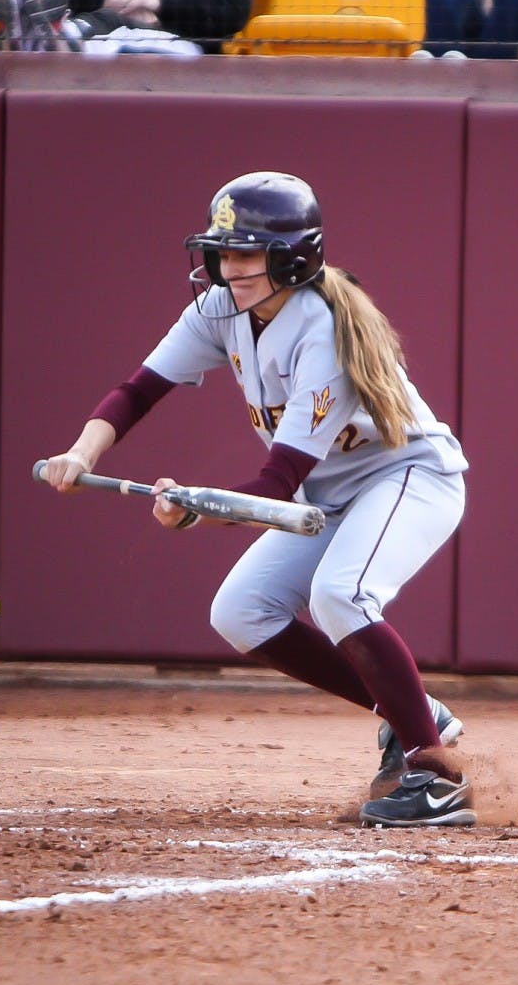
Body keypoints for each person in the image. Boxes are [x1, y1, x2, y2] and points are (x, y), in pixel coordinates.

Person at [43, 171, 475, 829]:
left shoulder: (321, 330)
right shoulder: (221, 308)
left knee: (341, 595)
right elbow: (137, 391)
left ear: (293, 257)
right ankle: (413, 710)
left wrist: (195, 505)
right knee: (242, 611)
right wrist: (82, 451)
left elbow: (275, 483)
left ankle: (435, 772)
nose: (227, 265)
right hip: (329, 493)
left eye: (245, 252)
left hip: (409, 478)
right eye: (222, 250)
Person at [0, 0, 251, 52]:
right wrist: (108, 0)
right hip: (90, 62)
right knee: (104, 23)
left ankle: (57, 42)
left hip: (184, 60)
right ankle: (48, 42)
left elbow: (232, 11)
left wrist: (157, 4)